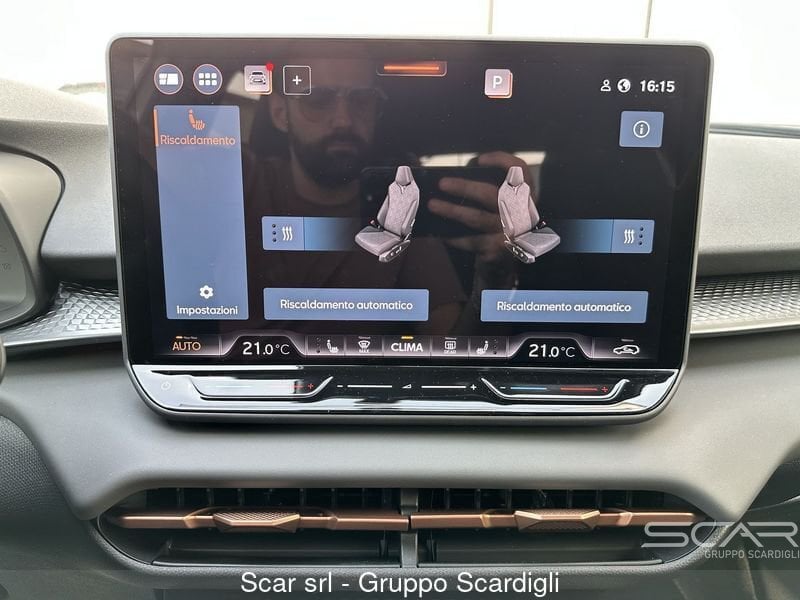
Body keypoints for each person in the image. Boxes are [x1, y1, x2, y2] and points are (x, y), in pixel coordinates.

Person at [243, 59, 466, 334]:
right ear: (280, 113)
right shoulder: (244, 179)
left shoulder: (402, 203)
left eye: (361, 100)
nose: (344, 121)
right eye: (317, 99)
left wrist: (493, 279)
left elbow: (449, 342)